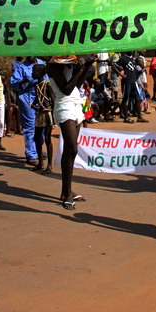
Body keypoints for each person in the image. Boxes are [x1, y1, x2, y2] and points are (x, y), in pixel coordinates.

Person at [46, 55, 97, 209]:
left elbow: (77, 85)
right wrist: (80, 68)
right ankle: (67, 193)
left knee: (70, 151)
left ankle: (66, 191)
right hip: (64, 106)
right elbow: (66, 89)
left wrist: (88, 65)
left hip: (76, 104)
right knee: (72, 147)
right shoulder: (52, 66)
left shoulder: (69, 62)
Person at [10, 56, 43, 165]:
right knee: (30, 126)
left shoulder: (42, 63)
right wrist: (24, 81)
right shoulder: (22, 67)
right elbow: (14, 83)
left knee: (42, 125)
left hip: (41, 98)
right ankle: (31, 154)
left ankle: (39, 149)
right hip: (26, 99)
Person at [112, 51, 149, 124]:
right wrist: (121, 74)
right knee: (125, 99)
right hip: (127, 81)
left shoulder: (133, 58)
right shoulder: (123, 58)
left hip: (134, 81)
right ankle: (126, 117)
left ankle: (139, 117)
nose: (132, 51)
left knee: (138, 98)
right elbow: (113, 65)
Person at [31, 63, 55, 172]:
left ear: (40, 73)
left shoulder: (47, 85)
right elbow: (38, 98)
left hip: (47, 114)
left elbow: (53, 100)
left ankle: (49, 165)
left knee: (48, 138)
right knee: (37, 138)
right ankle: (41, 162)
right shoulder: (37, 85)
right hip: (40, 113)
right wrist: (33, 105)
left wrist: (54, 118)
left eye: (34, 71)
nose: (32, 73)